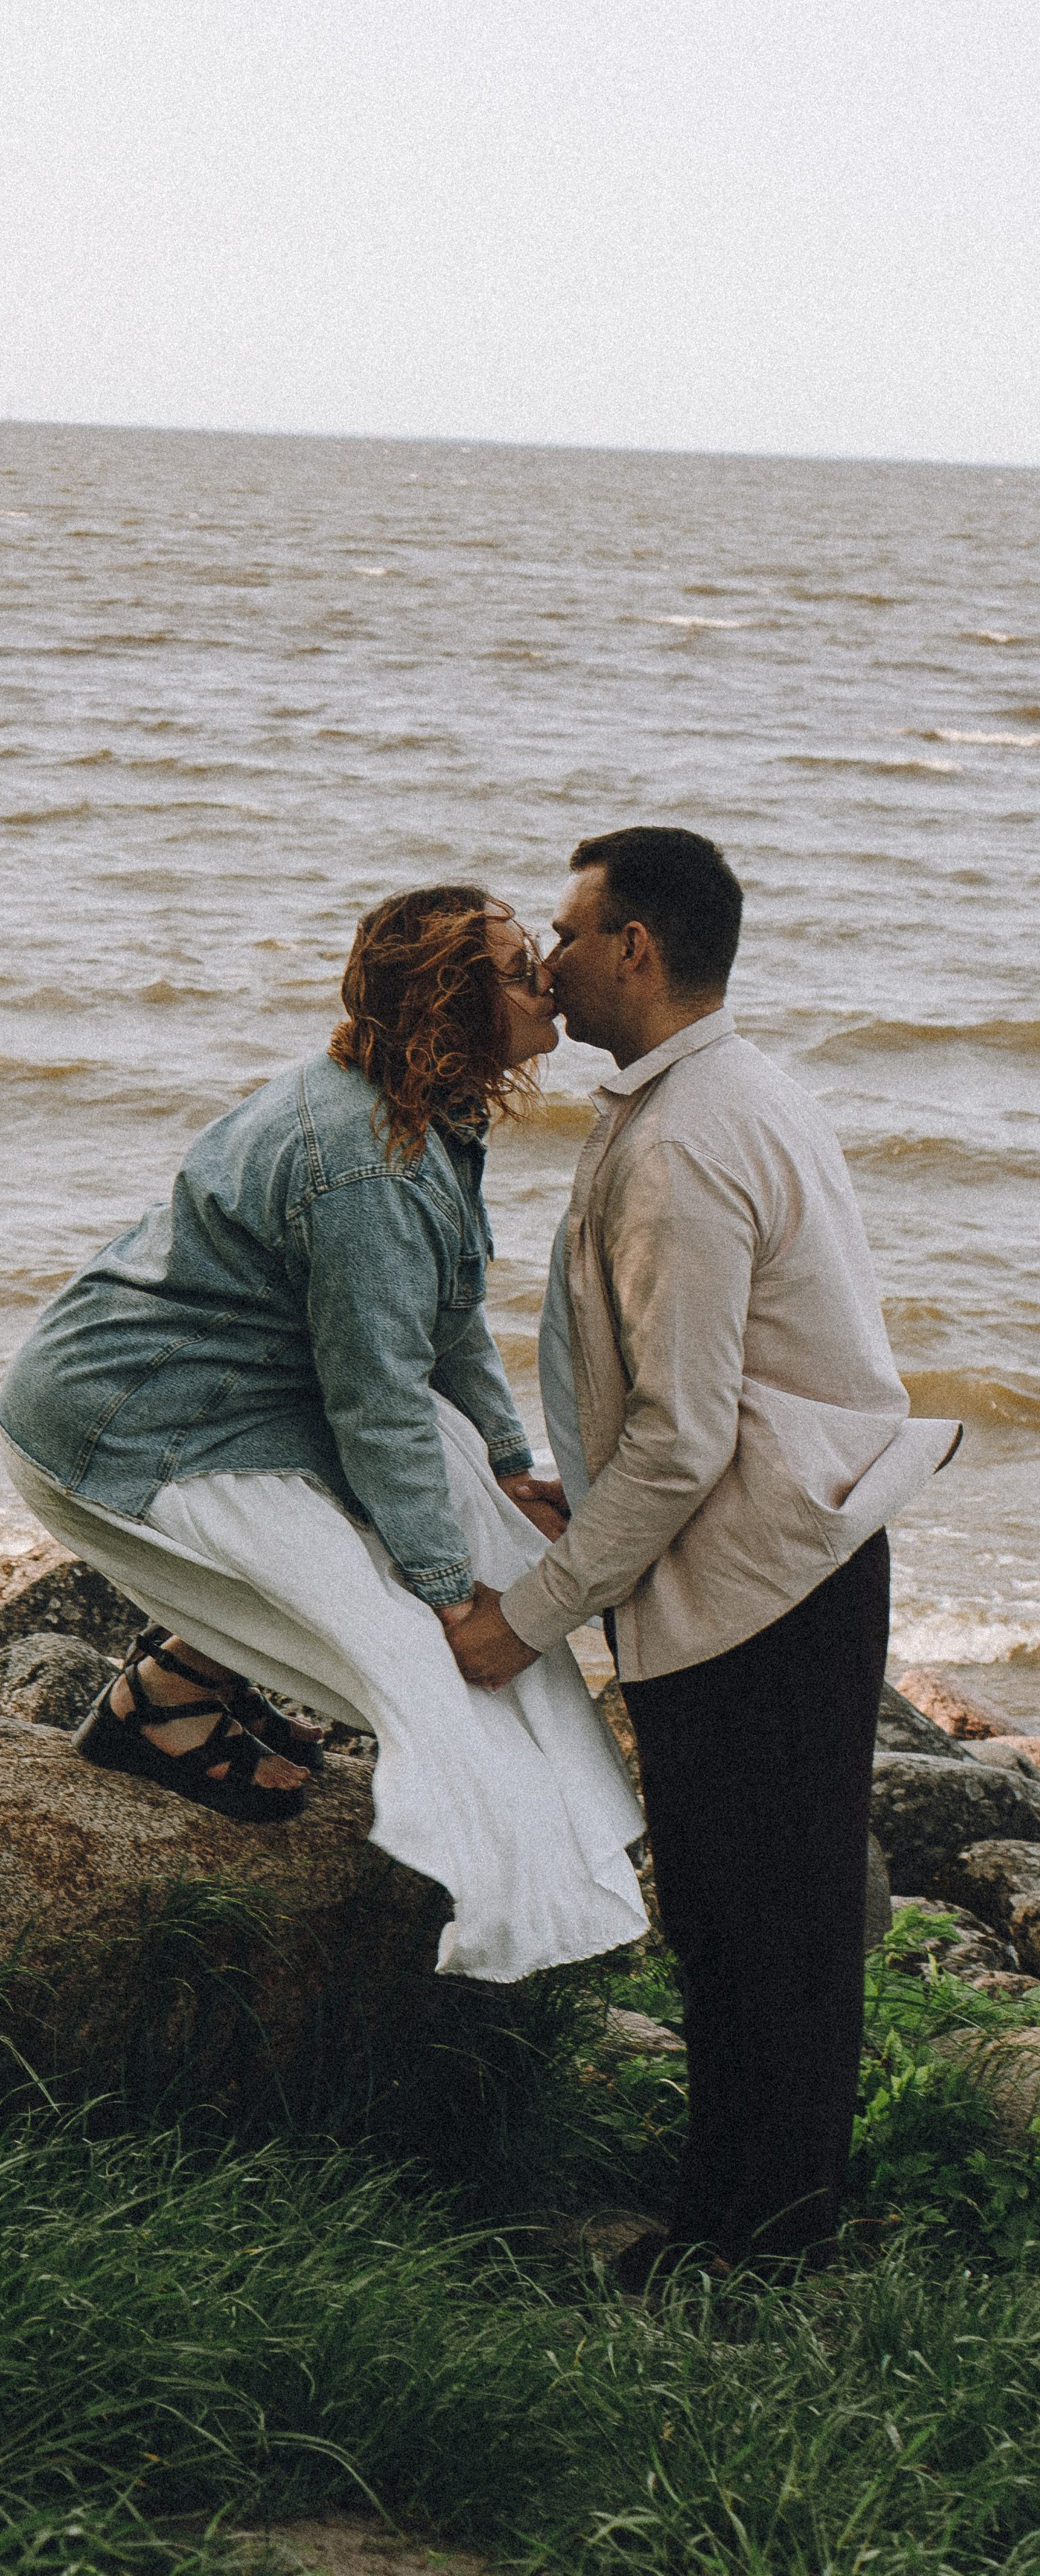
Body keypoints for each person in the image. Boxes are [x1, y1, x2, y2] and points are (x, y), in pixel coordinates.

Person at [445, 827, 960, 2277]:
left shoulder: (683, 1140)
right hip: (786, 1553)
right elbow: (701, 1401)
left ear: (636, 947)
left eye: (566, 931)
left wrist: (529, 1616)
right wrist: (580, 1488)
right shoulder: (733, 1089)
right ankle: (746, 2220)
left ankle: (762, 2249)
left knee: (758, 1928)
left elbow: (684, 1440)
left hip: (756, 1581)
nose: (548, 959)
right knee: (762, 1920)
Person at [0, 884, 646, 1983]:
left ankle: (181, 1682)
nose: (544, 976)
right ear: (451, 1006)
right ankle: (506, 1921)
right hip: (133, 1419)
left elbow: (446, 1320)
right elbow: (378, 1403)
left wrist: (506, 1465)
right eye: (516, 965)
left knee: (473, 1527)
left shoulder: (424, 1111)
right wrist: (448, 1596)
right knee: (420, 1662)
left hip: (237, 1393)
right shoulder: (367, 1165)